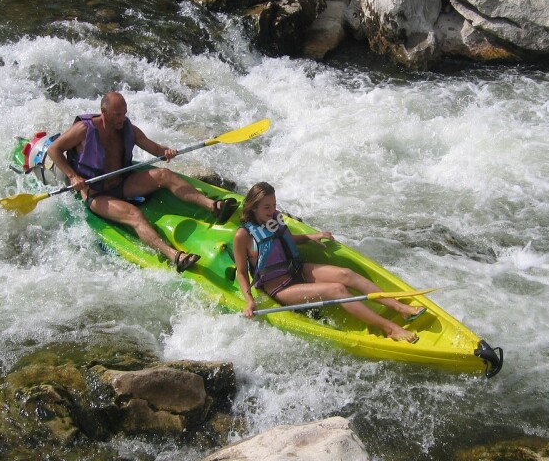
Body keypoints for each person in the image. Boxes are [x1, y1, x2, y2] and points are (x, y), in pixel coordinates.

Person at [48, 92, 238, 273]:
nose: (122, 118)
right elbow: (54, 150)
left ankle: (214, 206)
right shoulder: (83, 130)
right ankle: (175, 257)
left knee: (164, 174)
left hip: (122, 183)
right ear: (104, 113)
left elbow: (155, 149)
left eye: (124, 113)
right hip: (96, 193)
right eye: (117, 115)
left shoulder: (127, 128)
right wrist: (73, 176)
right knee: (134, 214)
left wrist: (167, 152)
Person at [233, 182, 426, 343]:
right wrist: (249, 301)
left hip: (297, 270)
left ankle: (401, 309)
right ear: (253, 207)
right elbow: (241, 272)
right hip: (279, 287)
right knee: (337, 289)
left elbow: (286, 239)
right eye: (266, 207)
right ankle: (390, 329)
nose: (272, 210)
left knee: (346, 274)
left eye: (274, 204)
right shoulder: (243, 236)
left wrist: (310, 236)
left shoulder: (274, 218)